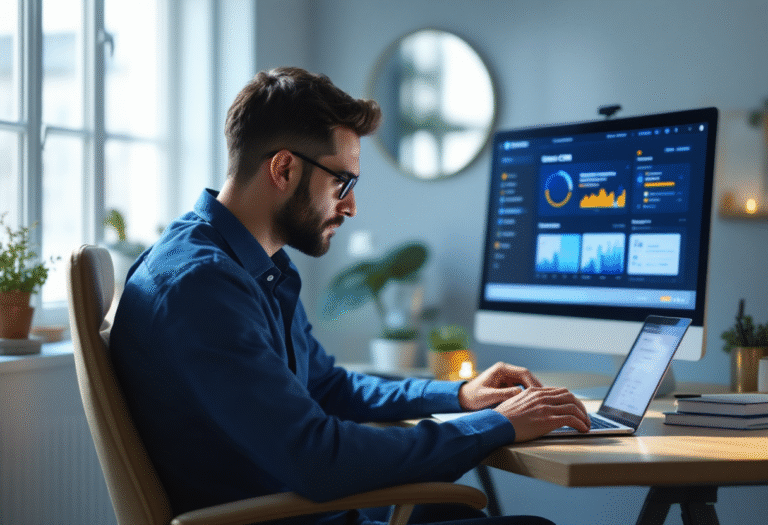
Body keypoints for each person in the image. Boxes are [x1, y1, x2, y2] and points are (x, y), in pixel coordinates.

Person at [109, 67, 590, 525]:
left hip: (295, 507)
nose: (352, 205)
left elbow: (327, 387)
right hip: (286, 514)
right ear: (284, 169)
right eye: (342, 181)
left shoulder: (247, 266)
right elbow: (319, 457)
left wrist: (461, 395)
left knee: (457, 514)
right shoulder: (202, 287)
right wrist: (497, 426)